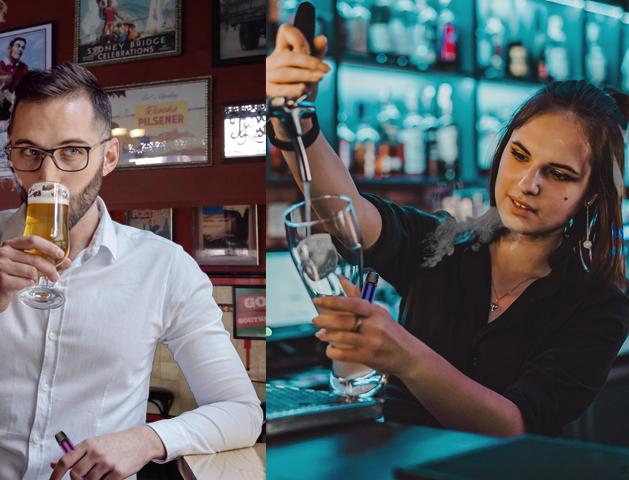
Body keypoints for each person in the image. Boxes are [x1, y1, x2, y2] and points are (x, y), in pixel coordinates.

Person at [0, 62, 262, 479]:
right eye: (30, 152)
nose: (48, 176)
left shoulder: (164, 266)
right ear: (11, 154)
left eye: (72, 151)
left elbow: (241, 411)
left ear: (108, 157)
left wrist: (148, 439)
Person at [267, 24, 629, 438]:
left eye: (559, 174)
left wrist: (405, 356)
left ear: (591, 195)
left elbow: (517, 425)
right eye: (520, 154)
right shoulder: (441, 243)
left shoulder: (599, 304)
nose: (528, 183)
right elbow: (346, 216)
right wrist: (294, 122)